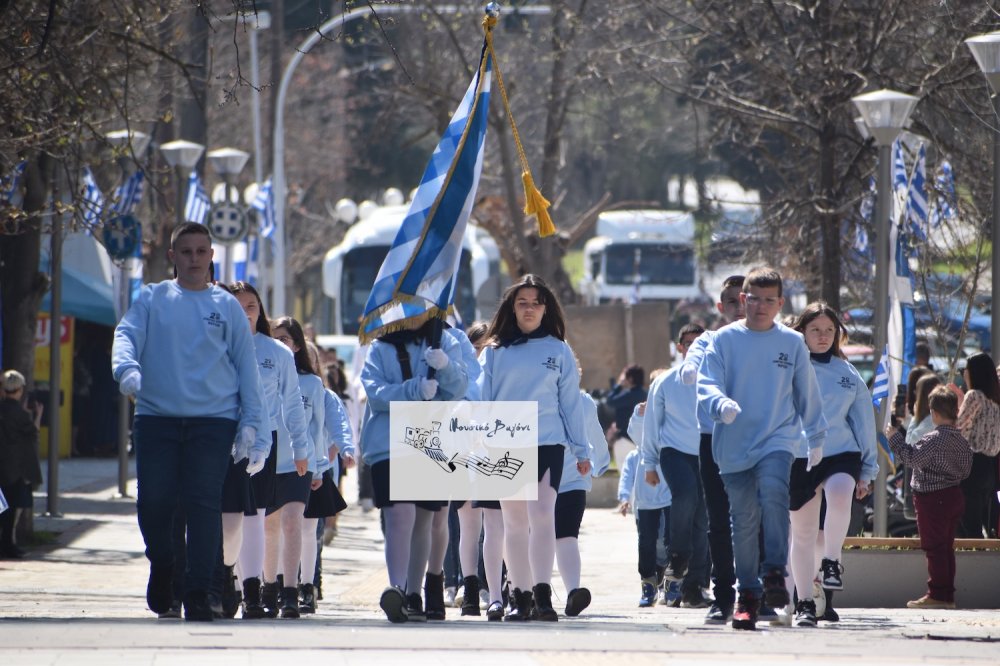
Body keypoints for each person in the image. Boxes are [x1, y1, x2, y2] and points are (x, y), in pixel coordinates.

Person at [111, 222, 266, 621]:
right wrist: (127, 370)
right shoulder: (153, 298)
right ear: (173, 256)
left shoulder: (226, 306)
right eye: (186, 251)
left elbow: (246, 367)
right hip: (157, 418)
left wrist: (251, 424)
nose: (194, 258)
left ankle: (199, 591)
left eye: (201, 251)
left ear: (211, 256)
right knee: (154, 504)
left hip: (213, 422)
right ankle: (164, 565)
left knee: (202, 505)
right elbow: (125, 335)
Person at [697, 267, 827, 630]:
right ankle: (748, 596)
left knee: (773, 492)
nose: (761, 306)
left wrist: (816, 436)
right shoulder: (723, 341)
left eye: (770, 300)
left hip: (777, 439)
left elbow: (807, 393)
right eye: (754, 298)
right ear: (743, 300)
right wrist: (719, 404)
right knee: (743, 521)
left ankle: (773, 572)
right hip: (733, 443)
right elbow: (706, 383)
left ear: (781, 303)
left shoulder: (791, 343)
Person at [478, 274, 592, 622]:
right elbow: (480, 396)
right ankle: (520, 596)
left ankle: (543, 595)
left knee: (543, 516)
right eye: (522, 302)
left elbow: (570, 403)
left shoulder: (559, 350)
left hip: (547, 443)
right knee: (514, 523)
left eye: (536, 303)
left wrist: (581, 450)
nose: (529, 309)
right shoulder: (494, 351)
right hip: (504, 442)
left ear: (546, 308)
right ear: (512, 308)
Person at [360, 318, 467, 623]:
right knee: (399, 514)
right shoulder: (379, 347)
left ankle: (414, 594)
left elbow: (458, 389)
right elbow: (376, 392)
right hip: (389, 442)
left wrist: (444, 366)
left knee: (423, 518)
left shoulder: (445, 341)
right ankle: (398, 589)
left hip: (430, 438)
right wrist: (413, 389)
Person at [787, 302, 877, 627]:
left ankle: (832, 562)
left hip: (842, 453)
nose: (823, 336)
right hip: (801, 455)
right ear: (802, 332)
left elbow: (864, 422)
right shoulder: (790, 368)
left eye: (829, 330)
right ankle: (804, 603)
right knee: (804, 533)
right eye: (816, 330)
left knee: (841, 495)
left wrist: (868, 470)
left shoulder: (847, 372)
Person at [225, 283, 310, 620]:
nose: (245, 311)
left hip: (265, 443)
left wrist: (302, 448)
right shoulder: (214, 345)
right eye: (238, 305)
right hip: (220, 439)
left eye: (251, 305)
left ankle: (252, 594)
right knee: (223, 521)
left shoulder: (277, 352)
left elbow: (292, 404)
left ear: (260, 310)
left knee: (255, 519)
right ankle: (223, 580)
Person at [676, 274, 745, 624]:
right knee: (718, 519)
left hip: (758, 439)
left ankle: (756, 589)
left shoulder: (777, 341)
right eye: (732, 301)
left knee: (757, 518)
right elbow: (693, 362)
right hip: (713, 437)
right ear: (721, 307)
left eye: (747, 298)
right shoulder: (710, 340)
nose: (741, 306)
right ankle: (723, 596)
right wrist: (690, 367)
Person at [885, 386, 972, 608]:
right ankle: (946, 594)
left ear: (933, 412)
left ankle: (937, 594)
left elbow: (911, 458)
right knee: (946, 547)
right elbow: (966, 471)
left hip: (932, 500)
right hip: (954, 495)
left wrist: (894, 438)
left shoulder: (933, 439)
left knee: (935, 548)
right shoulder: (962, 441)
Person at [642, 323, 710, 609]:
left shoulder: (714, 380)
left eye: (699, 343)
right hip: (674, 453)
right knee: (686, 495)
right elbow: (651, 425)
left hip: (708, 454)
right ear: (680, 347)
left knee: (702, 521)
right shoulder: (666, 381)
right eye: (688, 343)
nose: (693, 348)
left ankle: (693, 587)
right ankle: (678, 555)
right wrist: (649, 464)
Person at [266, 316, 322, 619]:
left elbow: (317, 429)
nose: (278, 344)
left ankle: (291, 592)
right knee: (269, 528)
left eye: (284, 339)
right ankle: (268, 588)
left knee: (292, 524)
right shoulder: (261, 375)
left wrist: (320, 467)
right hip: (265, 464)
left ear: (298, 345)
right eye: (273, 338)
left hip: (300, 466)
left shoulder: (312, 384)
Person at [554, 386, 612, 617]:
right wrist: (601, 465)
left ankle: (532, 590)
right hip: (575, 478)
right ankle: (572, 591)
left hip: (543, 477)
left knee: (534, 536)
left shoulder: (537, 395)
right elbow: (595, 437)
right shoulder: (584, 401)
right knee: (567, 537)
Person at [621, 400, 674, 608]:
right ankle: (649, 584)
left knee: (671, 539)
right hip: (646, 497)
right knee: (646, 542)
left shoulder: (674, 418)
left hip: (670, 492)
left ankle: (672, 584)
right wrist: (639, 414)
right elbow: (635, 435)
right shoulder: (643, 418)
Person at [952, 352, 1000, 538]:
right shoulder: (995, 401)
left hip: (971, 466)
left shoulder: (974, 396)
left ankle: (970, 566)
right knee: (985, 524)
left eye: (966, 369)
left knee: (967, 526)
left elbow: (957, 427)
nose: (964, 373)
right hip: (990, 469)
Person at [0, 370, 43, 559]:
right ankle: (8, 544)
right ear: (19, 389)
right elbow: (33, 433)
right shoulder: (20, 414)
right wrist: (38, 415)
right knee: (10, 509)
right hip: (14, 467)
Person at [605, 364, 646, 472]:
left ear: (630, 379)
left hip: (625, 440)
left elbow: (610, 401)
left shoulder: (628, 394)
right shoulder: (645, 394)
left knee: (625, 475)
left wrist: (619, 385)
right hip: (641, 441)